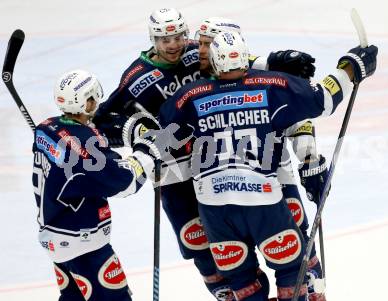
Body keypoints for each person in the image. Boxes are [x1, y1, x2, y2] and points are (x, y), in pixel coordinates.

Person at [93, 8, 322, 300]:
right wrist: (137, 129)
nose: (174, 44)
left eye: (178, 36)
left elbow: (239, 65)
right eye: (165, 39)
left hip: (229, 161)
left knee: (291, 235)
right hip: (177, 172)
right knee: (206, 249)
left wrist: (274, 61)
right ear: (152, 39)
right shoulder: (138, 78)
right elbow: (102, 121)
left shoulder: (196, 53)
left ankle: (311, 291)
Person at [158, 31, 377, 301]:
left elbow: (162, 133)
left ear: (215, 61)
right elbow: (324, 98)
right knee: (292, 270)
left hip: (213, 206)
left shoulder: (190, 95)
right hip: (261, 198)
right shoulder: (270, 86)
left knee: (241, 281)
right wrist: (352, 66)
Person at [196, 18, 329, 300]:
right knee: (229, 263)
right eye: (203, 43)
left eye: (210, 44)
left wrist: (308, 158)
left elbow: (297, 116)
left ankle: (310, 290)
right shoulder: (193, 78)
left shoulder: (256, 73)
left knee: (296, 245)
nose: (203, 50)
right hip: (217, 184)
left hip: (274, 172)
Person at [32, 69, 158, 301]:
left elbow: (90, 140)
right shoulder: (83, 148)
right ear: (86, 101)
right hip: (84, 243)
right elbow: (124, 182)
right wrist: (147, 151)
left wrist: (128, 132)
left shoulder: (45, 128)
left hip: (57, 238)